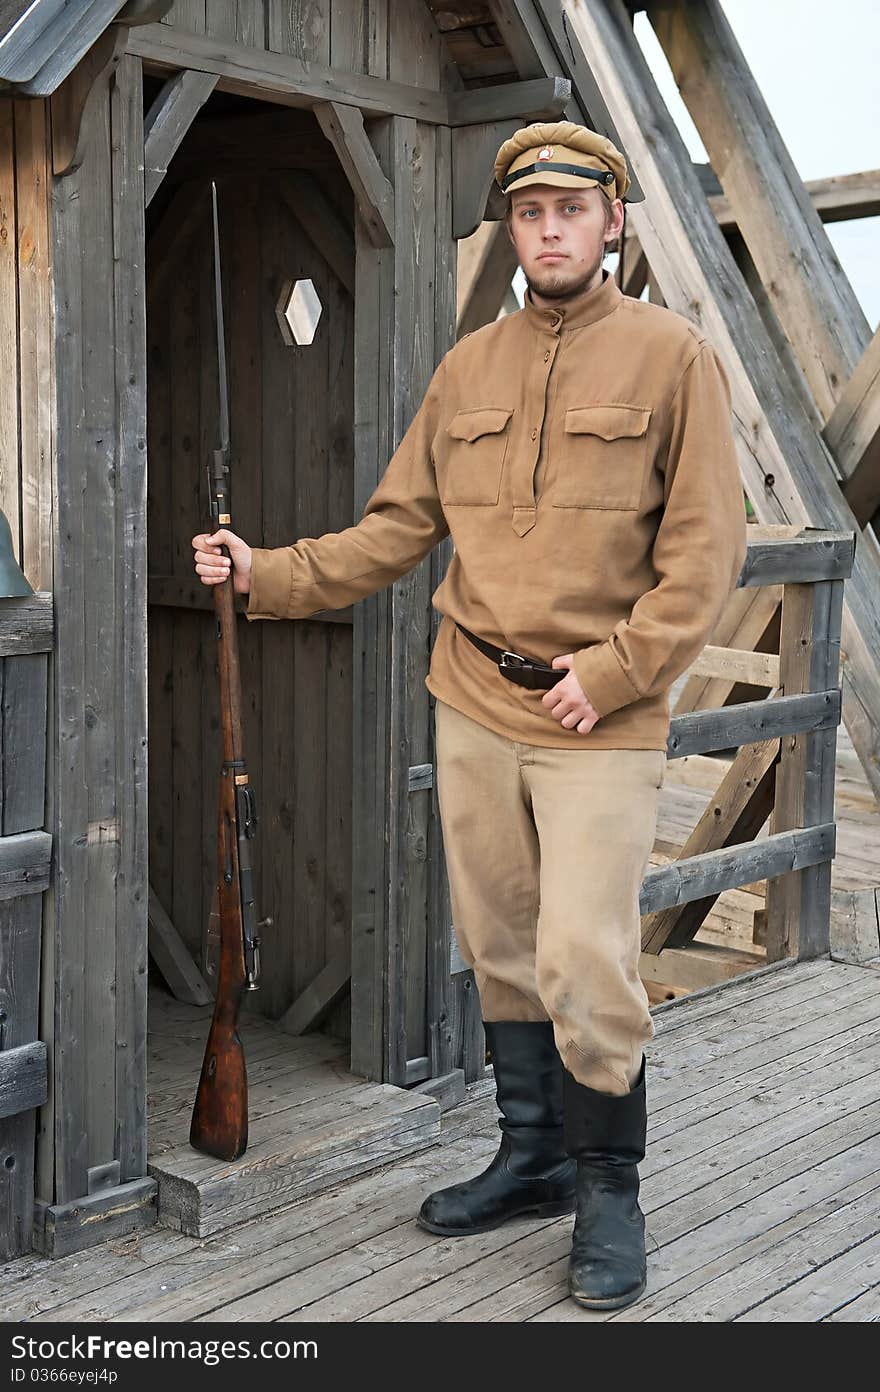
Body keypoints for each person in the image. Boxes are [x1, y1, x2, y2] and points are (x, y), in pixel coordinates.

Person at [192, 121, 747, 1312]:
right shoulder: (468, 368)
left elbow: (705, 556)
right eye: (529, 212)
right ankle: (533, 1158)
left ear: (610, 225)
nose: (548, 230)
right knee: (499, 949)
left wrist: (617, 669)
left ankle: (609, 1187)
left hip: (602, 711)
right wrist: (266, 571)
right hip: (471, 698)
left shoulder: (673, 357)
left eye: (570, 211)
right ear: (513, 228)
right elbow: (396, 528)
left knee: (583, 955)